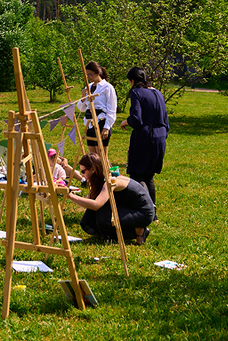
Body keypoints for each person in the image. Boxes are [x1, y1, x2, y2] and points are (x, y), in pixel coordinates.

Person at [63, 152, 155, 245]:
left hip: (143, 212)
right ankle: (110, 232)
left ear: (93, 169)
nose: (82, 175)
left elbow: (96, 205)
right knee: (88, 219)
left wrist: (70, 195)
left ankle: (137, 231)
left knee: (104, 219)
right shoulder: (101, 178)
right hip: (130, 206)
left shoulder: (110, 181)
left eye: (83, 171)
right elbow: (89, 201)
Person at [119, 66, 169, 211]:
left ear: (132, 81)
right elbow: (166, 119)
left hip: (145, 137)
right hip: (160, 137)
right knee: (148, 175)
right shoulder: (158, 93)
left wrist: (126, 121)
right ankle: (153, 212)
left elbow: (136, 119)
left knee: (136, 174)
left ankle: (145, 210)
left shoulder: (136, 92)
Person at [75, 61, 118, 150]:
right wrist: (83, 97)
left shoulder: (107, 87)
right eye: (87, 75)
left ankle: (107, 165)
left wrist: (107, 127)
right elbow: (81, 108)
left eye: (90, 74)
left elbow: (112, 109)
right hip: (90, 122)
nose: (88, 77)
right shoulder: (88, 87)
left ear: (98, 73)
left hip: (102, 121)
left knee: (101, 156)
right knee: (92, 157)